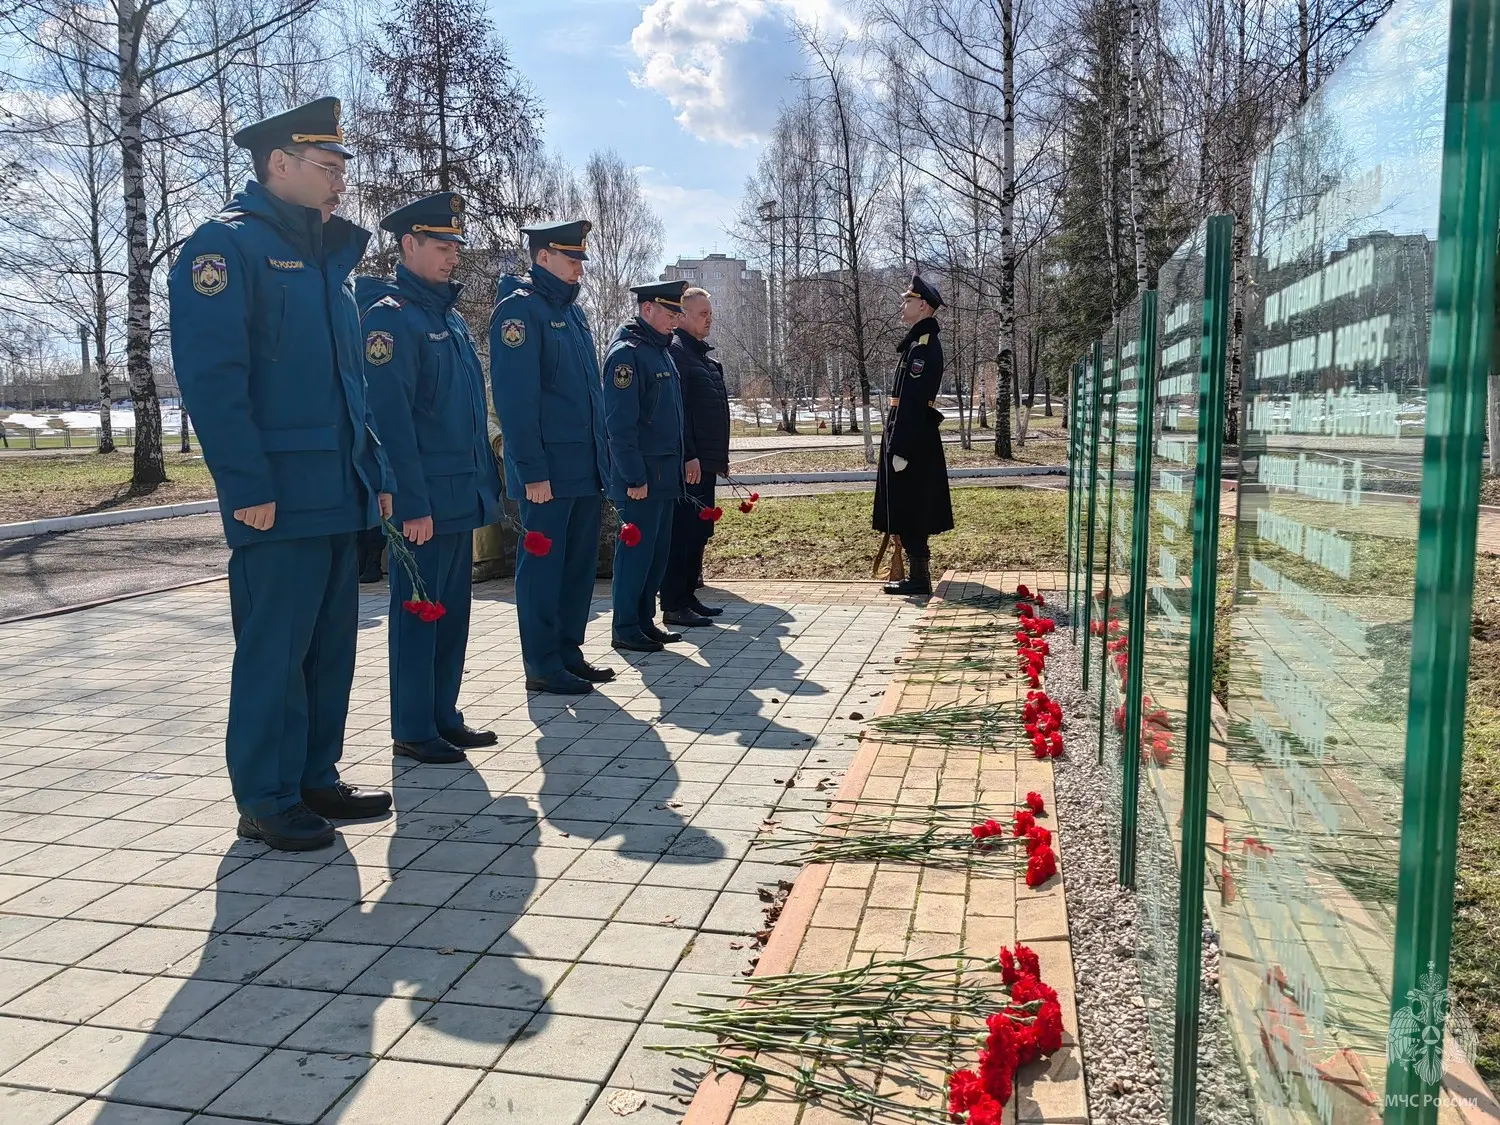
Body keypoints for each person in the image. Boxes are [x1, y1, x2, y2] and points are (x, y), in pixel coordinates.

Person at [168, 96, 394, 852]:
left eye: (340, 168)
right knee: (275, 650)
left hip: (336, 487)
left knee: (330, 648)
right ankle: (265, 797)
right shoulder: (225, 247)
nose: (339, 182)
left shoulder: (329, 260)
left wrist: (373, 470)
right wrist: (246, 484)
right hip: (279, 494)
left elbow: (349, 385)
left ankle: (313, 778)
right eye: (327, 167)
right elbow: (214, 379)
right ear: (278, 164)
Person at [358, 192, 503, 764]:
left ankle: (444, 714)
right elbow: (389, 421)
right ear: (408, 245)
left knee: (452, 612)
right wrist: (411, 502)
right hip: (425, 503)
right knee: (418, 613)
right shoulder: (390, 319)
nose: (452, 257)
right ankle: (413, 727)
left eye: (455, 247)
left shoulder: (451, 320)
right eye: (441, 246)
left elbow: (465, 413)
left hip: (460, 493)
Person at [490, 220, 614, 694]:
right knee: (543, 568)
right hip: (547, 474)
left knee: (577, 567)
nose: (579, 268)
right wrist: (531, 471)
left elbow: (589, 395)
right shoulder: (519, 311)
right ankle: (541, 663)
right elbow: (516, 400)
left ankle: (567, 652)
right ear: (543, 257)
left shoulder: (573, 313)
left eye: (581, 259)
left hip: (582, 468)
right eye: (571, 258)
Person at [603, 279, 689, 652]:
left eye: (677, 313)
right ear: (647, 308)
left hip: (664, 477)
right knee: (635, 556)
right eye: (670, 312)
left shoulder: (661, 351)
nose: (675, 320)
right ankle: (624, 626)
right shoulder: (627, 354)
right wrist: (633, 476)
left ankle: (643, 621)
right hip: (641, 480)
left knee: (655, 557)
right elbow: (619, 425)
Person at [873, 274, 954, 597]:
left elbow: (913, 401)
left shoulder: (922, 348)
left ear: (923, 306)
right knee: (907, 503)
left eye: (908, 300)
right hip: (909, 431)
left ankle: (920, 578)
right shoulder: (916, 344)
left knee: (911, 505)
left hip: (912, 436)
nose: (902, 305)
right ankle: (917, 574)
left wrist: (901, 447)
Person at [661, 286, 729, 626]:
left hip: (706, 463)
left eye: (711, 314)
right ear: (682, 316)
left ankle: (688, 597)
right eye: (703, 314)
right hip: (690, 465)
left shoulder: (704, 358)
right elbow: (680, 414)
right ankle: (674, 603)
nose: (709, 320)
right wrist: (689, 454)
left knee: (699, 531)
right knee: (683, 532)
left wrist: (717, 460)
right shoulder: (677, 353)